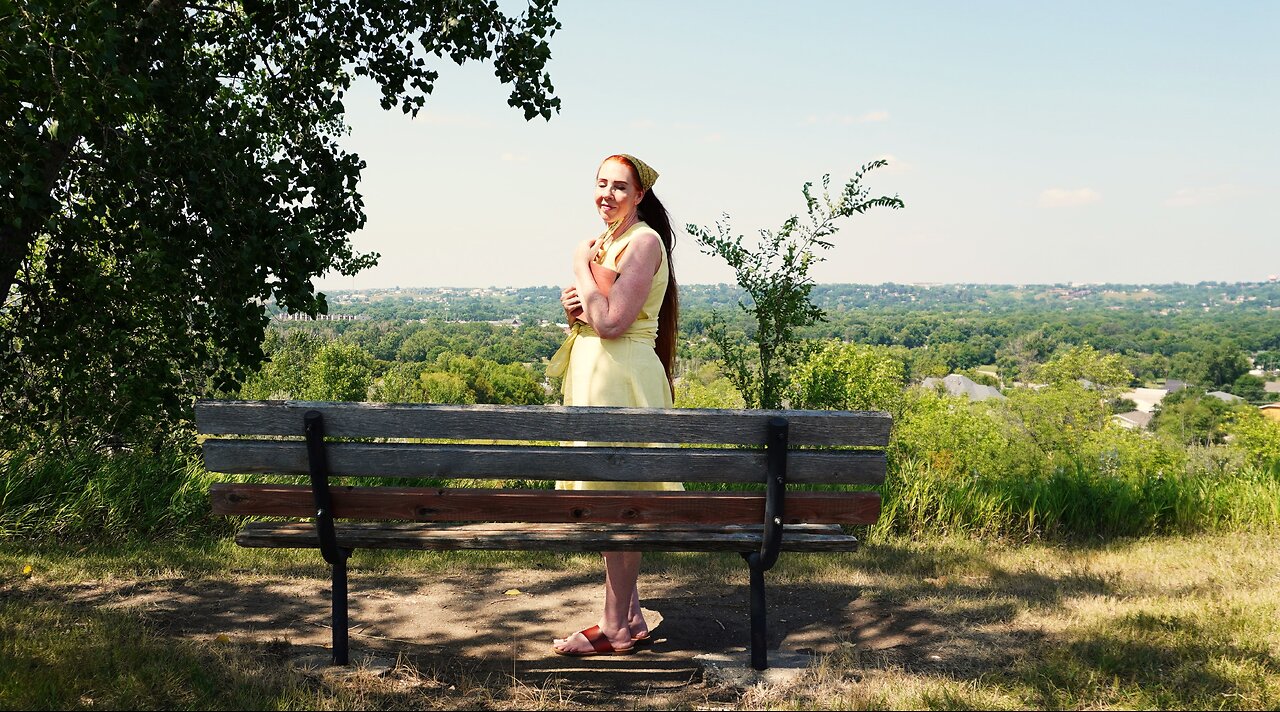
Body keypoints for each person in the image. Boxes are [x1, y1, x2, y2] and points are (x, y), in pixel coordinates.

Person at [546, 154, 680, 657]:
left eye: (619, 187)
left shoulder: (643, 241)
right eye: (600, 184)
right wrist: (576, 307)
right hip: (597, 378)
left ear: (640, 194)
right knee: (612, 497)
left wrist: (579, 263)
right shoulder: (613, 240)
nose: (607, 194)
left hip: (621, 382)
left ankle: (614, 628)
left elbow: (613, 323)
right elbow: (595, 314)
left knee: (620, 502)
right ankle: (630, 614)